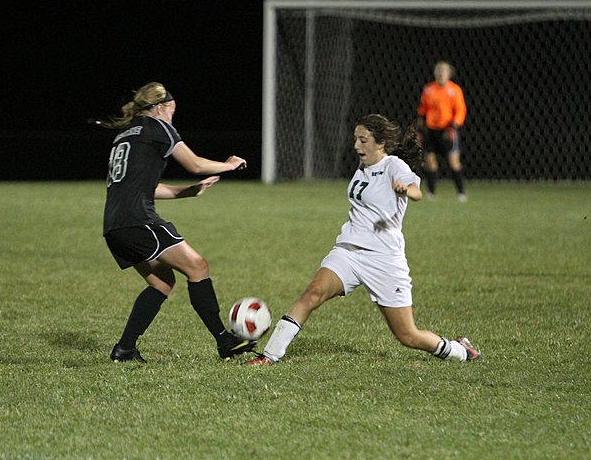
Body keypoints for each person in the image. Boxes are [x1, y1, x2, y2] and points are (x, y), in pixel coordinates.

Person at [248, 113, 481, 365]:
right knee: (311, 294)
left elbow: (417, 192)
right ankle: (269, 356)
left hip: (383, 258)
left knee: (407, 335)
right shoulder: (363, 167)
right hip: (348, 252)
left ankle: (460, 351)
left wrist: (406, 190)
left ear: (380, 143)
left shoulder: (394, 165)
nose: (357, 146)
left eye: (363, 140)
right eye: (355, 139)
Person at [101, 81, 255, 363]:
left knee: (161, 283)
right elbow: (194, 164)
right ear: (160, 107)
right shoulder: (158, 126)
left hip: (115, 226)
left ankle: (124, 349)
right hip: (138, 221)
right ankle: (224, 341)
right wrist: (229, 164)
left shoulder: (126, 134)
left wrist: (188, 192)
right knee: (197, 266)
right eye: (172, 111)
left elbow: (140, 186)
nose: (173, 117)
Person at [417, 60, 467, 201]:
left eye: (443, 70)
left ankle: (461, 193)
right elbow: (422, 110)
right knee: (430, 161)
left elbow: (460, 110)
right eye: (438, 69)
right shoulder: (428, 89)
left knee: (454, 161)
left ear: (449, 73)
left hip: (447, 129)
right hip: (431, 130)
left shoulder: (454, 90)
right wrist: (420, 128)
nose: (440, 73)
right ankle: (431, 193)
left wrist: (454, 126)